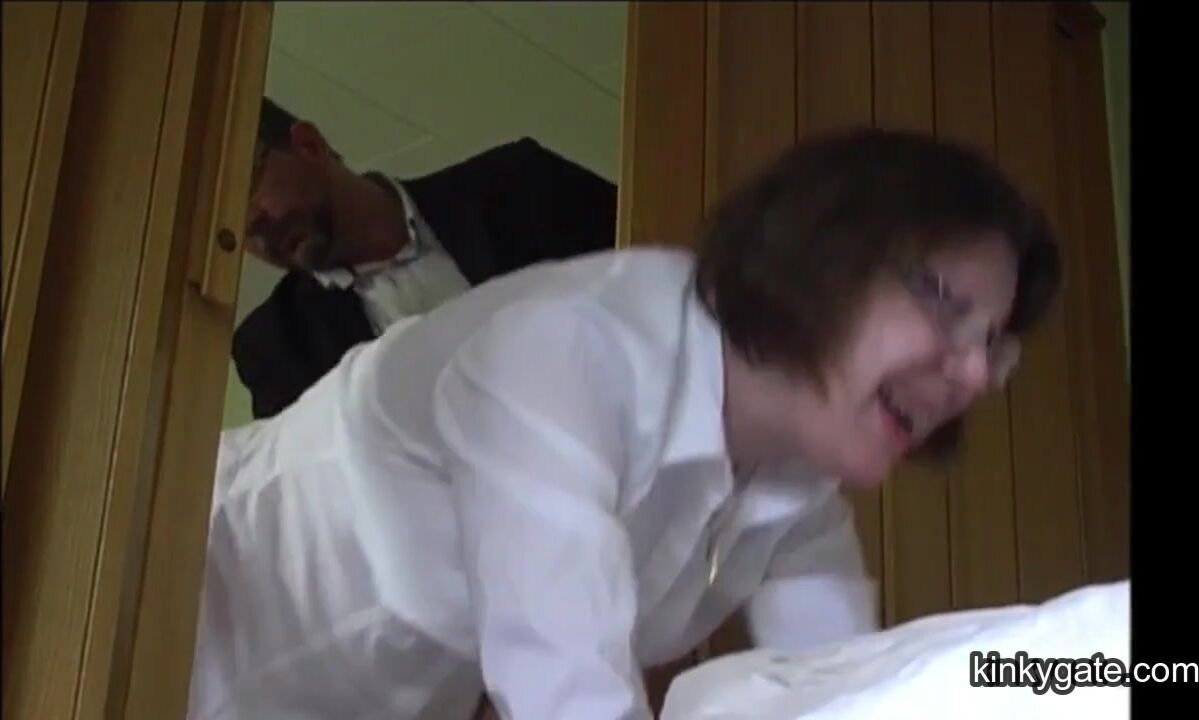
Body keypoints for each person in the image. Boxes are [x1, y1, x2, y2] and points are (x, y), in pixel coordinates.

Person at [188, 127, 1061, 720]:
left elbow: (842, 689)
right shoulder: (568, 350)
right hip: (180, 599)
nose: (973, 374)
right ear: (817, 251)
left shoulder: (791, 485)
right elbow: (568, 689)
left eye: (994, 344)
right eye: (942, 302)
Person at [233, 98, 618, 419]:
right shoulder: (274, 349)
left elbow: (648, 267)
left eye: (245, 188)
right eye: (227, 222)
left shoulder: (518, 184)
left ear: (309, 146)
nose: (250, 225)